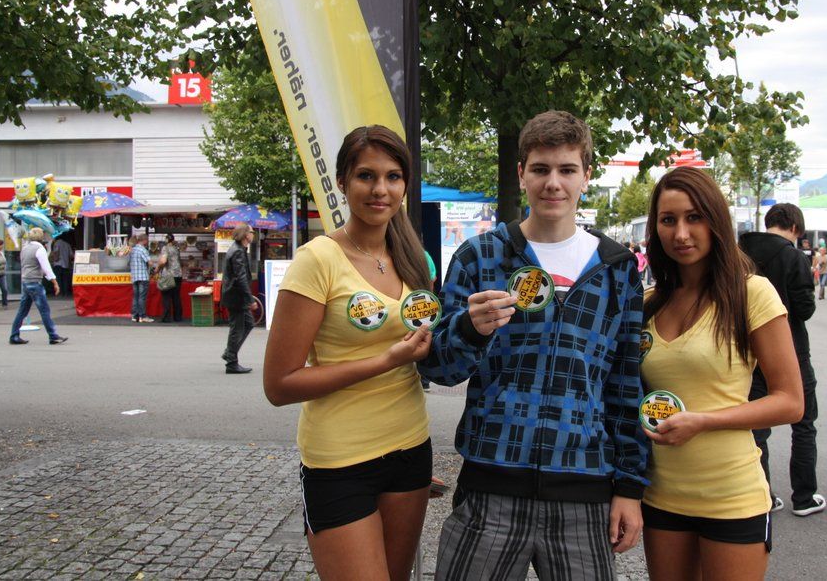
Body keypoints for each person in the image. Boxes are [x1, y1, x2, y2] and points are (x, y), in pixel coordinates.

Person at [419, 110, 647, 580]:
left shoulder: (616, 267)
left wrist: (630, 487)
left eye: (567, 169)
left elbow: (626, 383)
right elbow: (438, 368)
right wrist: (469, 330)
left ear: (586, 175)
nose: (553, 183)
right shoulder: (480, 256)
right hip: (491, 484)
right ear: (521, 173)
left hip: (584, 489)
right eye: (541, 169)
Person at [263, 125, 434, 581]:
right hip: (339, 460)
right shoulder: (318, 259)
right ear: (342, 182)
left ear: (405, 185)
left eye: (393, 177)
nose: (380, 189)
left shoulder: (413, 259)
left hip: (410, 449)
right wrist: (385, 361)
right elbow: (279, 385)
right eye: (366, 176)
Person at [639, 167, 803, 581]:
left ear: (716, 221)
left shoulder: (751, 293)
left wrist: (702, 421)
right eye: (668, 220)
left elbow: (790, 401)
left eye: (694, 217)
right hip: (661, 495)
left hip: (732, 496)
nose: (681, 233)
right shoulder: (647, 303)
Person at [739, 203, 822, 517]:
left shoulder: (740, 253)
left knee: (755, 425)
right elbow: (805, 309)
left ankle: (764, 493)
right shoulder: (793, 256)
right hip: (791, 348)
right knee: (804, 424)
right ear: (795, 227)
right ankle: (804, 496)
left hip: (748, 349)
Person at [9, 227, 67, 345]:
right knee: (44, 310)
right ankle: (53, 335)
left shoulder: (25, 248)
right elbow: (46, 267)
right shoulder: (39, 249)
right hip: (35, 281)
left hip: (26, 280)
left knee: (22, 311)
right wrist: (54, 281)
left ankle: (14, 335)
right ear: (41, 237)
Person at [220, 223, 257, 374]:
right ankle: (231, 362)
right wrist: (250, 299)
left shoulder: (239, 249)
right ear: (246, 235)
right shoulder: (237, 252)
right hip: (235, 296)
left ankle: (230, 352)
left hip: (235, 294)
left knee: (248, 323)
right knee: (237, 328)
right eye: (252, 232)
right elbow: (241, 277)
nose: (253, 235)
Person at [158, 233, 184, 323]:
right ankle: (178, 317)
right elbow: (179, 261)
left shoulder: (165, 248)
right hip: (178, 274)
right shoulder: (176, 248)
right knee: (176, 296)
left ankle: (166, 317)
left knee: (166, 296)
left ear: (166, 240)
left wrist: (158, 268)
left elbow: (163, 261)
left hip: (168, 275)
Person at [129, 235, 152, 323]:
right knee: (142, 297)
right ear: (144, 240)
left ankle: (135, 316)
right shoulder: (142, 249)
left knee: (136, 297)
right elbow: (149, 262)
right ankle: (143, 316)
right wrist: (153, 269)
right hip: (143, 276)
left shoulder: (132, 250)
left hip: (134, 276)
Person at [50, 232, 74, 296]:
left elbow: (56, 252)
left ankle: (59, 293)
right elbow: (71, 255)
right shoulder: (67, 244)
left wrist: (55, 259)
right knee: (65, 280)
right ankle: (65, 293)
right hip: (66, 265)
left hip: (58, 264)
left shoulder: (57, 243)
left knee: (58, 279)